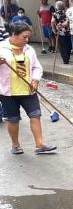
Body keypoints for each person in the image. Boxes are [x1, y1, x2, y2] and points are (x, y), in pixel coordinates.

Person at [0, 22, 57, 155]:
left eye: (28, 37)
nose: (27, 40)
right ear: (14, 35)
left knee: (35, 115)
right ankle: (15, 145)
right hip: (8, 92)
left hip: (28, 89)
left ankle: (40, 144)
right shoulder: (2, 48)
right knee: (13, 119)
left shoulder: (29, 49)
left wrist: (35, 80)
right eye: (24, 37)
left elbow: (36, 67)